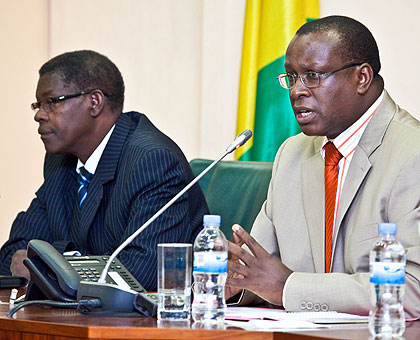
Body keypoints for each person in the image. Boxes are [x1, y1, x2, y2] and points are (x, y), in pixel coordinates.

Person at [226, 15, 420, 317]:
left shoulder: (412, 154)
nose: (297, 91)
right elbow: (260, 270)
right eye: (291, 77)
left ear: (362, 78)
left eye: (313, 76)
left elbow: (411, 290)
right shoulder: (291, 155)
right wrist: (234, 282)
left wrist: (288, 287)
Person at [0, 50, 208, 291]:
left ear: (94, 102)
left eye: (51, 102)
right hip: (82, 318)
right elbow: (11, 256)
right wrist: (63, 263)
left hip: (149, 324)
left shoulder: (153, 161)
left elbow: (139, 275)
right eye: (37, 104)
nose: (39, 115)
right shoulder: (61, 161)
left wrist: (50, 263)